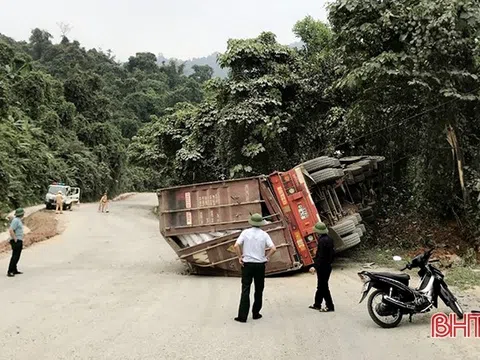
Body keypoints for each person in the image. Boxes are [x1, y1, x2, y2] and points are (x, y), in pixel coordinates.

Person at [233, 213, 277, 323]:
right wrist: (267, 257)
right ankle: (256, 313)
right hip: (260, 265)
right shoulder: (264, 235)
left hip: (247, 264)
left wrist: (240, 257)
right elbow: (273, 248)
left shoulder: (245, 233)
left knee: (245, 289)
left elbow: (236, 245)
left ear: (251, 222)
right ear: (261, 224)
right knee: (259, 289)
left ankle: (242, 316)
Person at [309, 222, 335, 312]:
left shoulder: (321, 241)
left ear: (318, 232)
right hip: (328, 266)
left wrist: (315, 266)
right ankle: (317, 304)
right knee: (321, 286)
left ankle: (330, 306)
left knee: (323, 287)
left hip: (322, 267)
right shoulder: (330, 239)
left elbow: (320, 256)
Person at [7, 208, 25, 277]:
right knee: (15, 256)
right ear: (21, 214)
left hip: (19, 239)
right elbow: (11, 230)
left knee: (17, 256)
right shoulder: (16, 221)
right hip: (16, 240)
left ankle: (14, 269)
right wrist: (15, 239)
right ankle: (10, 271)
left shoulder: (18, 220)